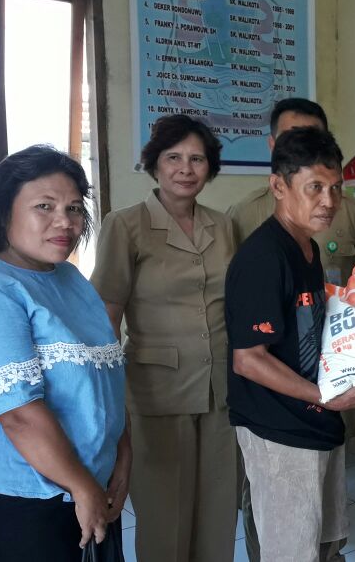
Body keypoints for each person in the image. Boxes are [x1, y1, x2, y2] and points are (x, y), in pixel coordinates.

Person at [0, 145, 128, 561]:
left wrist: (121, 459)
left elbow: (105, 380)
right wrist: (83, 485)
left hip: (83, 487)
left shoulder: (71, 279)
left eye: (74, 208)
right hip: (9, 498)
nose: (65, 221)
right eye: (45, 206)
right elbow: (18, 414)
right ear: (3, 211)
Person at [226, 126, 355, 561]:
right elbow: (248, 360)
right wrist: (326, 397)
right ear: (278, 186)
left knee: (324, 543)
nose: (329, 201)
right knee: (291, 551)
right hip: (280, 430)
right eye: (315, 187)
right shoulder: (264, 257)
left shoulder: (307, 249)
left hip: (316, 421)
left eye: (335, 188)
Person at [90, 114, 238, 562]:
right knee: (164, 521)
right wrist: (108, 399)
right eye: (173, 158)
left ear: (210, 168)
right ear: (154, 164)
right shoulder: (126, 225)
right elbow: (107, 313)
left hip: (221, 390)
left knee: (218, 515)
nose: (185, 169)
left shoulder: (223, 225)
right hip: (156, 393)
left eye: (197, 159)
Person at [227, 97, 355, 283]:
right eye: (290, 139)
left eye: (314, 139)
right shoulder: (243, 214)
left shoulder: (350, 211)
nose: (303, 148)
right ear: (272, 145)